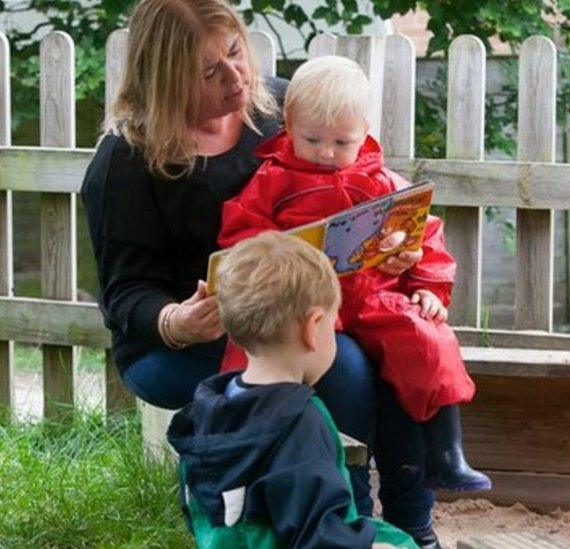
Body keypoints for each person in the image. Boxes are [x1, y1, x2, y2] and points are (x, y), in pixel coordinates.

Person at [80, 1, 443, 546]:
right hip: (182, 342)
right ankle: (345, 516)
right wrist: (177, 319)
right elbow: (125, 296)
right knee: (337, 365)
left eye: (235, 53)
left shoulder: (280, 106)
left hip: (314, 307)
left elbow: (360, 176)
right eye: (210, 72)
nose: (237, 77)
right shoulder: (125, 161)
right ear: (165, 80)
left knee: (411, 339)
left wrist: (390, 250)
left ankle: (406, 519)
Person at [217, 55, 490, 493]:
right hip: (306, 304)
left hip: (375, 297)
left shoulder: (383, 181)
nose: (326, 153)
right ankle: (248, 441)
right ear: (288, 124)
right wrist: (275, 257)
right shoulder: (273, 180)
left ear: (365, 130)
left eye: (342, 142)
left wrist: (425, 283)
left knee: (429, 338)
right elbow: (241, 237)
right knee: (265, 352)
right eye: (312, 139)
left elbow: (425, 236)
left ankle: (447, 452)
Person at [168, 232, 417, 549]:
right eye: (331, 324)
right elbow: (316, 531)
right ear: (313, 328)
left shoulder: (206, 411)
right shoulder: (298, 423)